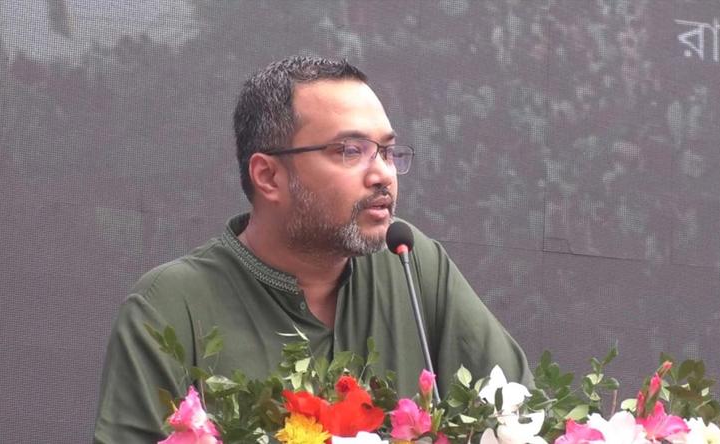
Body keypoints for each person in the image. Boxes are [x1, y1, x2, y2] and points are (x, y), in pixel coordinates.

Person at [93, 55, 531, 443]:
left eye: (387, 151)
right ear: (268, 176)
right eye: (351, 150)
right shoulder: (170, 307)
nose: (383, 174)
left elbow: (523, 419)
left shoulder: (414, 265)